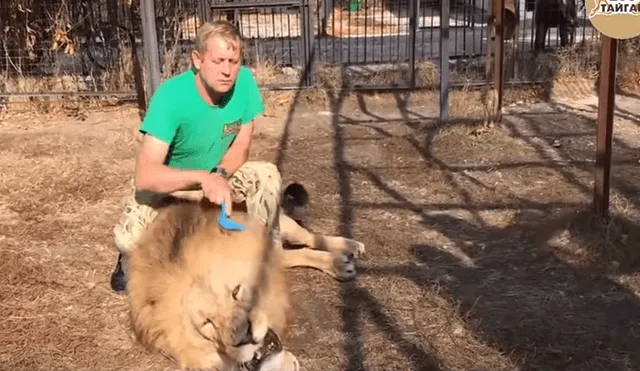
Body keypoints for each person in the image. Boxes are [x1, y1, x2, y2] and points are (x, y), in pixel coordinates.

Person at [109, 20, 282, 294]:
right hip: (173, 185)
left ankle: (267, 255)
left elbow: (242, 146)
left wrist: (219, 175)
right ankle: (126, 261)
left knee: (267, 175)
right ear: (198, 60)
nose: (227, 70)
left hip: (215, 177)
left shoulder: (245, 83)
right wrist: (202, 178)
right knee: (131, 237)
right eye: (218, 61)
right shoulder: (170, 97)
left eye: (233, 61)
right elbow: (146, 176)